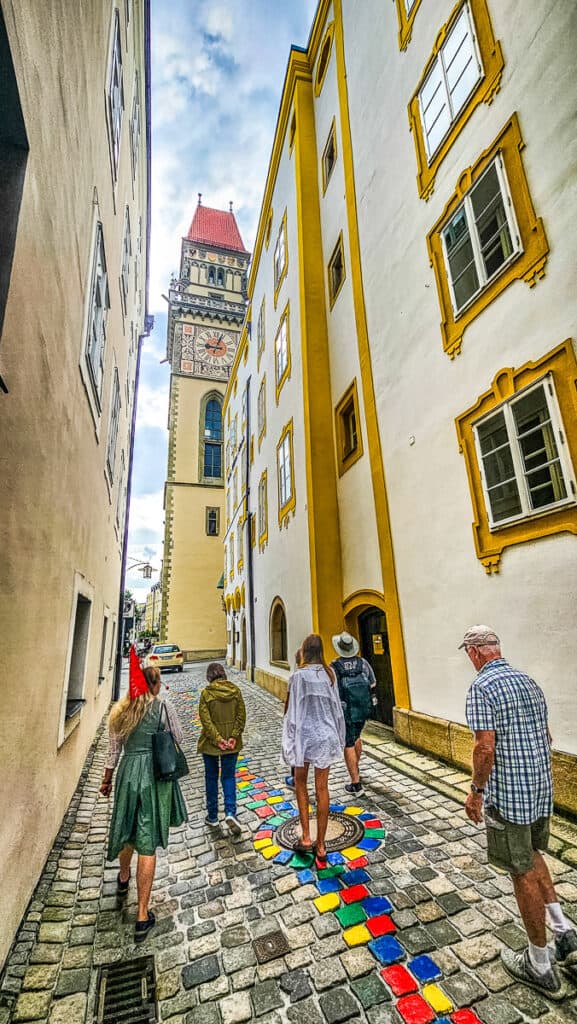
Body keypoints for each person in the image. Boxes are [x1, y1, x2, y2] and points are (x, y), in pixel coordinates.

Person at [462, 625, 577, 999]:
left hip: (509, 794)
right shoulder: (528, 682)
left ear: (477, 652)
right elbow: (545, 736)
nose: (470, 658)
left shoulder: (482, 687)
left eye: (469, 652)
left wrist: (476, 792)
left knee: (521, 870)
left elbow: (484, 749)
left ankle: (540, 964)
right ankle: (564, 933)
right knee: (532, 854)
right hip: (540, 788)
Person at [100, 649, 188, 943]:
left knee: (128, 828)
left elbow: (112, 752)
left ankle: (123, 876)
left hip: (127, 774)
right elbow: (179, 738)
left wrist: (107, 780)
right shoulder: (163, 708)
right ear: (156, 683)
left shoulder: (120, 712)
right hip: (154, 776)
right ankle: (141, 914)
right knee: (147, 838)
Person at [282, 633, 346, 862]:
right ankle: (321, 846)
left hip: (305, 736)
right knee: (322, 788)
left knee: (300, 782)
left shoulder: (298, 677)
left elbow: (291, 713)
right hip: (326, 735)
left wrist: (288, 742)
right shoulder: (330, 675)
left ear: (305, 651)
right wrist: (340, 735)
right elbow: (337, 709)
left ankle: (307, 837)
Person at [198, 662, 246, 834]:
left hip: (211, 744)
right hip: (232, 745)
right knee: (228, 777)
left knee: (211, 778)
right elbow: (241, 716)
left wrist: (217, 739)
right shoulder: (235, 691)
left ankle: (212, 816)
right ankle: (230, 812)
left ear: (209, 677)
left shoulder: (206, 693)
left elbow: (206, 721)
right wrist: (233, 736)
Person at [331, 631, 376, 796]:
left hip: (345, 710)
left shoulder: (334, 666)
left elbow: (332, 690)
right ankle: (356, 768)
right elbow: (373, 683)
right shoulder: (362, 663)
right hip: (362, 708)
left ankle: (355, 784)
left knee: (348, 742)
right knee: (357, 737)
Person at [284, 648, 303, 789]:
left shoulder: (295, 677)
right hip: (313, 721)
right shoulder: (323, 674)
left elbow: (288, 702)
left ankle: (296, 779)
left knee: (296, 749)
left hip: (297, 719)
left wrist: (286, 717)